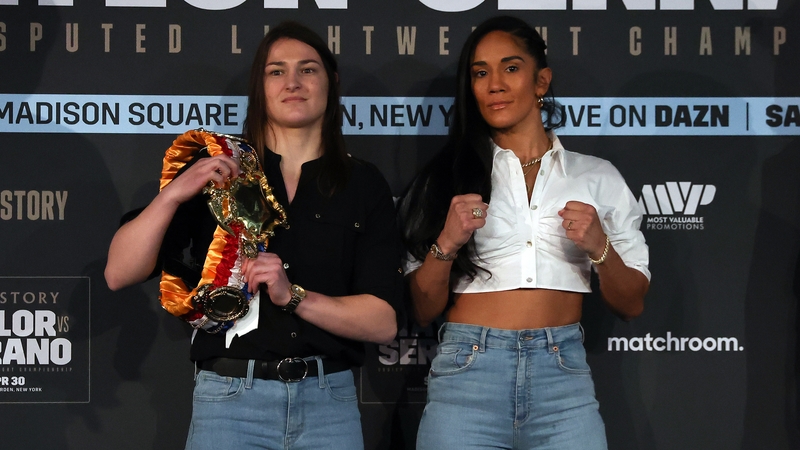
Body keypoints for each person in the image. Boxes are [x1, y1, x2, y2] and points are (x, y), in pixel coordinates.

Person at [105, 21, 402, 450]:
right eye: (276, 71)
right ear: (258, 86)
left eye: (308, 69)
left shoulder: (363, 184)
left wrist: (293, 295)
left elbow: (383, 322)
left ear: (331, 82)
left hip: (329, 406)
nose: (293, 82)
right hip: (230, 402)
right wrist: (173, 196)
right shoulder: (221, 170)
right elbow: (118, 272)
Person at [399, 16, 650, 450]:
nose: (494, 84)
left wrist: (599, 248)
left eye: (511, 68)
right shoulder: (444, 178)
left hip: (563, 380)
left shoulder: (598, 177)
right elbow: (422, 311)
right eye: (480, 73)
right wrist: (446, 245)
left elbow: (632, 303)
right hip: (467, 377)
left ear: (541, 81)